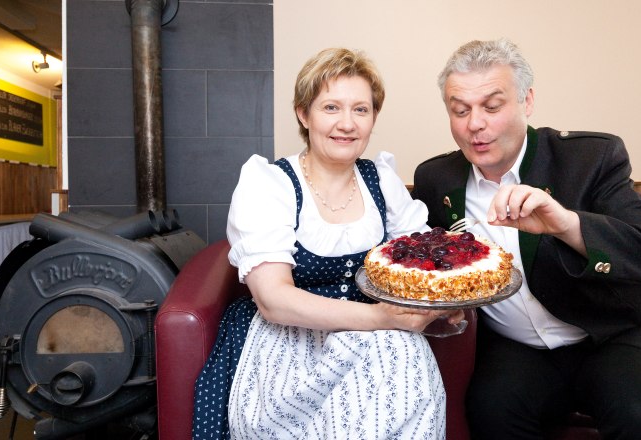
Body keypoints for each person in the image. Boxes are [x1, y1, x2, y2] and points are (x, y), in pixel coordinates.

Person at [410, 39, 641, 439]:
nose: (475, 124)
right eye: (460, 110)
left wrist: (567, 225)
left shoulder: (590, 158)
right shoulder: (438, 179)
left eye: (492, 106)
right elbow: (428, 259)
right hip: (513, 349)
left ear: (527, 101)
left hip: (606, 336)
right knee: (491, 412)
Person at [192, 47, 463, 440]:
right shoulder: (270, 184)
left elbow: (422, 263)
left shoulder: (381, 181)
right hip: (288, 342)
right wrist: (381, 319)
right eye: (331, 107)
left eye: (361, 110)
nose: (347, 124)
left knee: (406, 358)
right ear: (304, 114)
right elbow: (274, 301)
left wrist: (441, 304)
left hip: (378, 343)